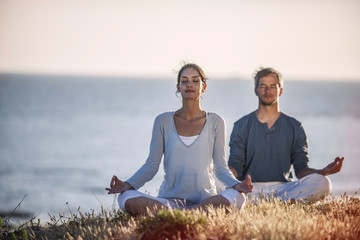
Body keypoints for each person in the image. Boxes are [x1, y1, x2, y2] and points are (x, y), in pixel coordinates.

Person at [106, 63, 253, 216]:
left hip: (205, 200)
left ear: (204, 87)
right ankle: (190, 215)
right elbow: (151, 166)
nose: (190, 84)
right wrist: (128, 184)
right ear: (178, 87)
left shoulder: (216, 122)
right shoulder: (162, 121)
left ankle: (177, 215)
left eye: (195, 80)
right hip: (168, 200)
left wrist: (237, 185)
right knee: (126, 197)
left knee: (238, 197)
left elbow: (221, 168)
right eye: (184, 81)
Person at [228, 67, 344, 204]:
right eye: (263, 86)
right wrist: (216, 172)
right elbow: (235, 165)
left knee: (323, 183)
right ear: (256, 90)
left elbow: (301, 170)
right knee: (216, 178)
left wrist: (323, 171)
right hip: (248, 189)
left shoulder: (295, 126)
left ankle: (280, 203)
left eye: (272, 86)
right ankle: (274, 203)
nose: (267, 90)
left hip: (284, 189)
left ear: (280, 90)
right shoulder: (241, 125)